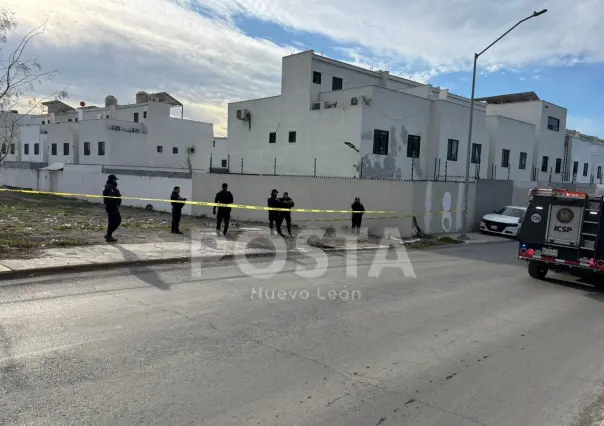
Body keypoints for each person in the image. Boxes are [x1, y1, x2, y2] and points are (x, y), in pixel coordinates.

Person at [102, 174, 122, 243]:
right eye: (115, 179)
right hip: (112, 208)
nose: (116, 181)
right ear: (112, 180)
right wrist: (115, 206)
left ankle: (108, 235)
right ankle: (109, 235)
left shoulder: (110, 186)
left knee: (112, 222)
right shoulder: (110, 188)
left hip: (111, 207)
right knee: (117, 221)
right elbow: (111, 198)